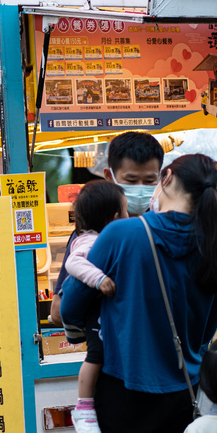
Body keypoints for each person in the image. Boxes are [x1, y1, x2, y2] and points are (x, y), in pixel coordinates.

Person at [61, 153, 217, 433]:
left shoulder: (121, 234)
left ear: (165, 179)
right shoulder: (215, 251)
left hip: (123, 390)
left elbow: (71, 306)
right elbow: (207, 331)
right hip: (184, 391)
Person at [49, 132, 164, 326]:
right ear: (109, 176)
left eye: (149, 181)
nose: (140, 188)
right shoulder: (89, 232)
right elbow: (59, 310)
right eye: (131, 180)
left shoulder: (165, 227)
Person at [60, 180, 124, 433]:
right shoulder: (90, 241)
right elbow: (74, 263)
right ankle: (83, 408)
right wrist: (98, 279)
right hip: (93, 311)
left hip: (100, 309)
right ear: (114, 217)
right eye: (125, 211)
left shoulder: (97, 237)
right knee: (95, 356)